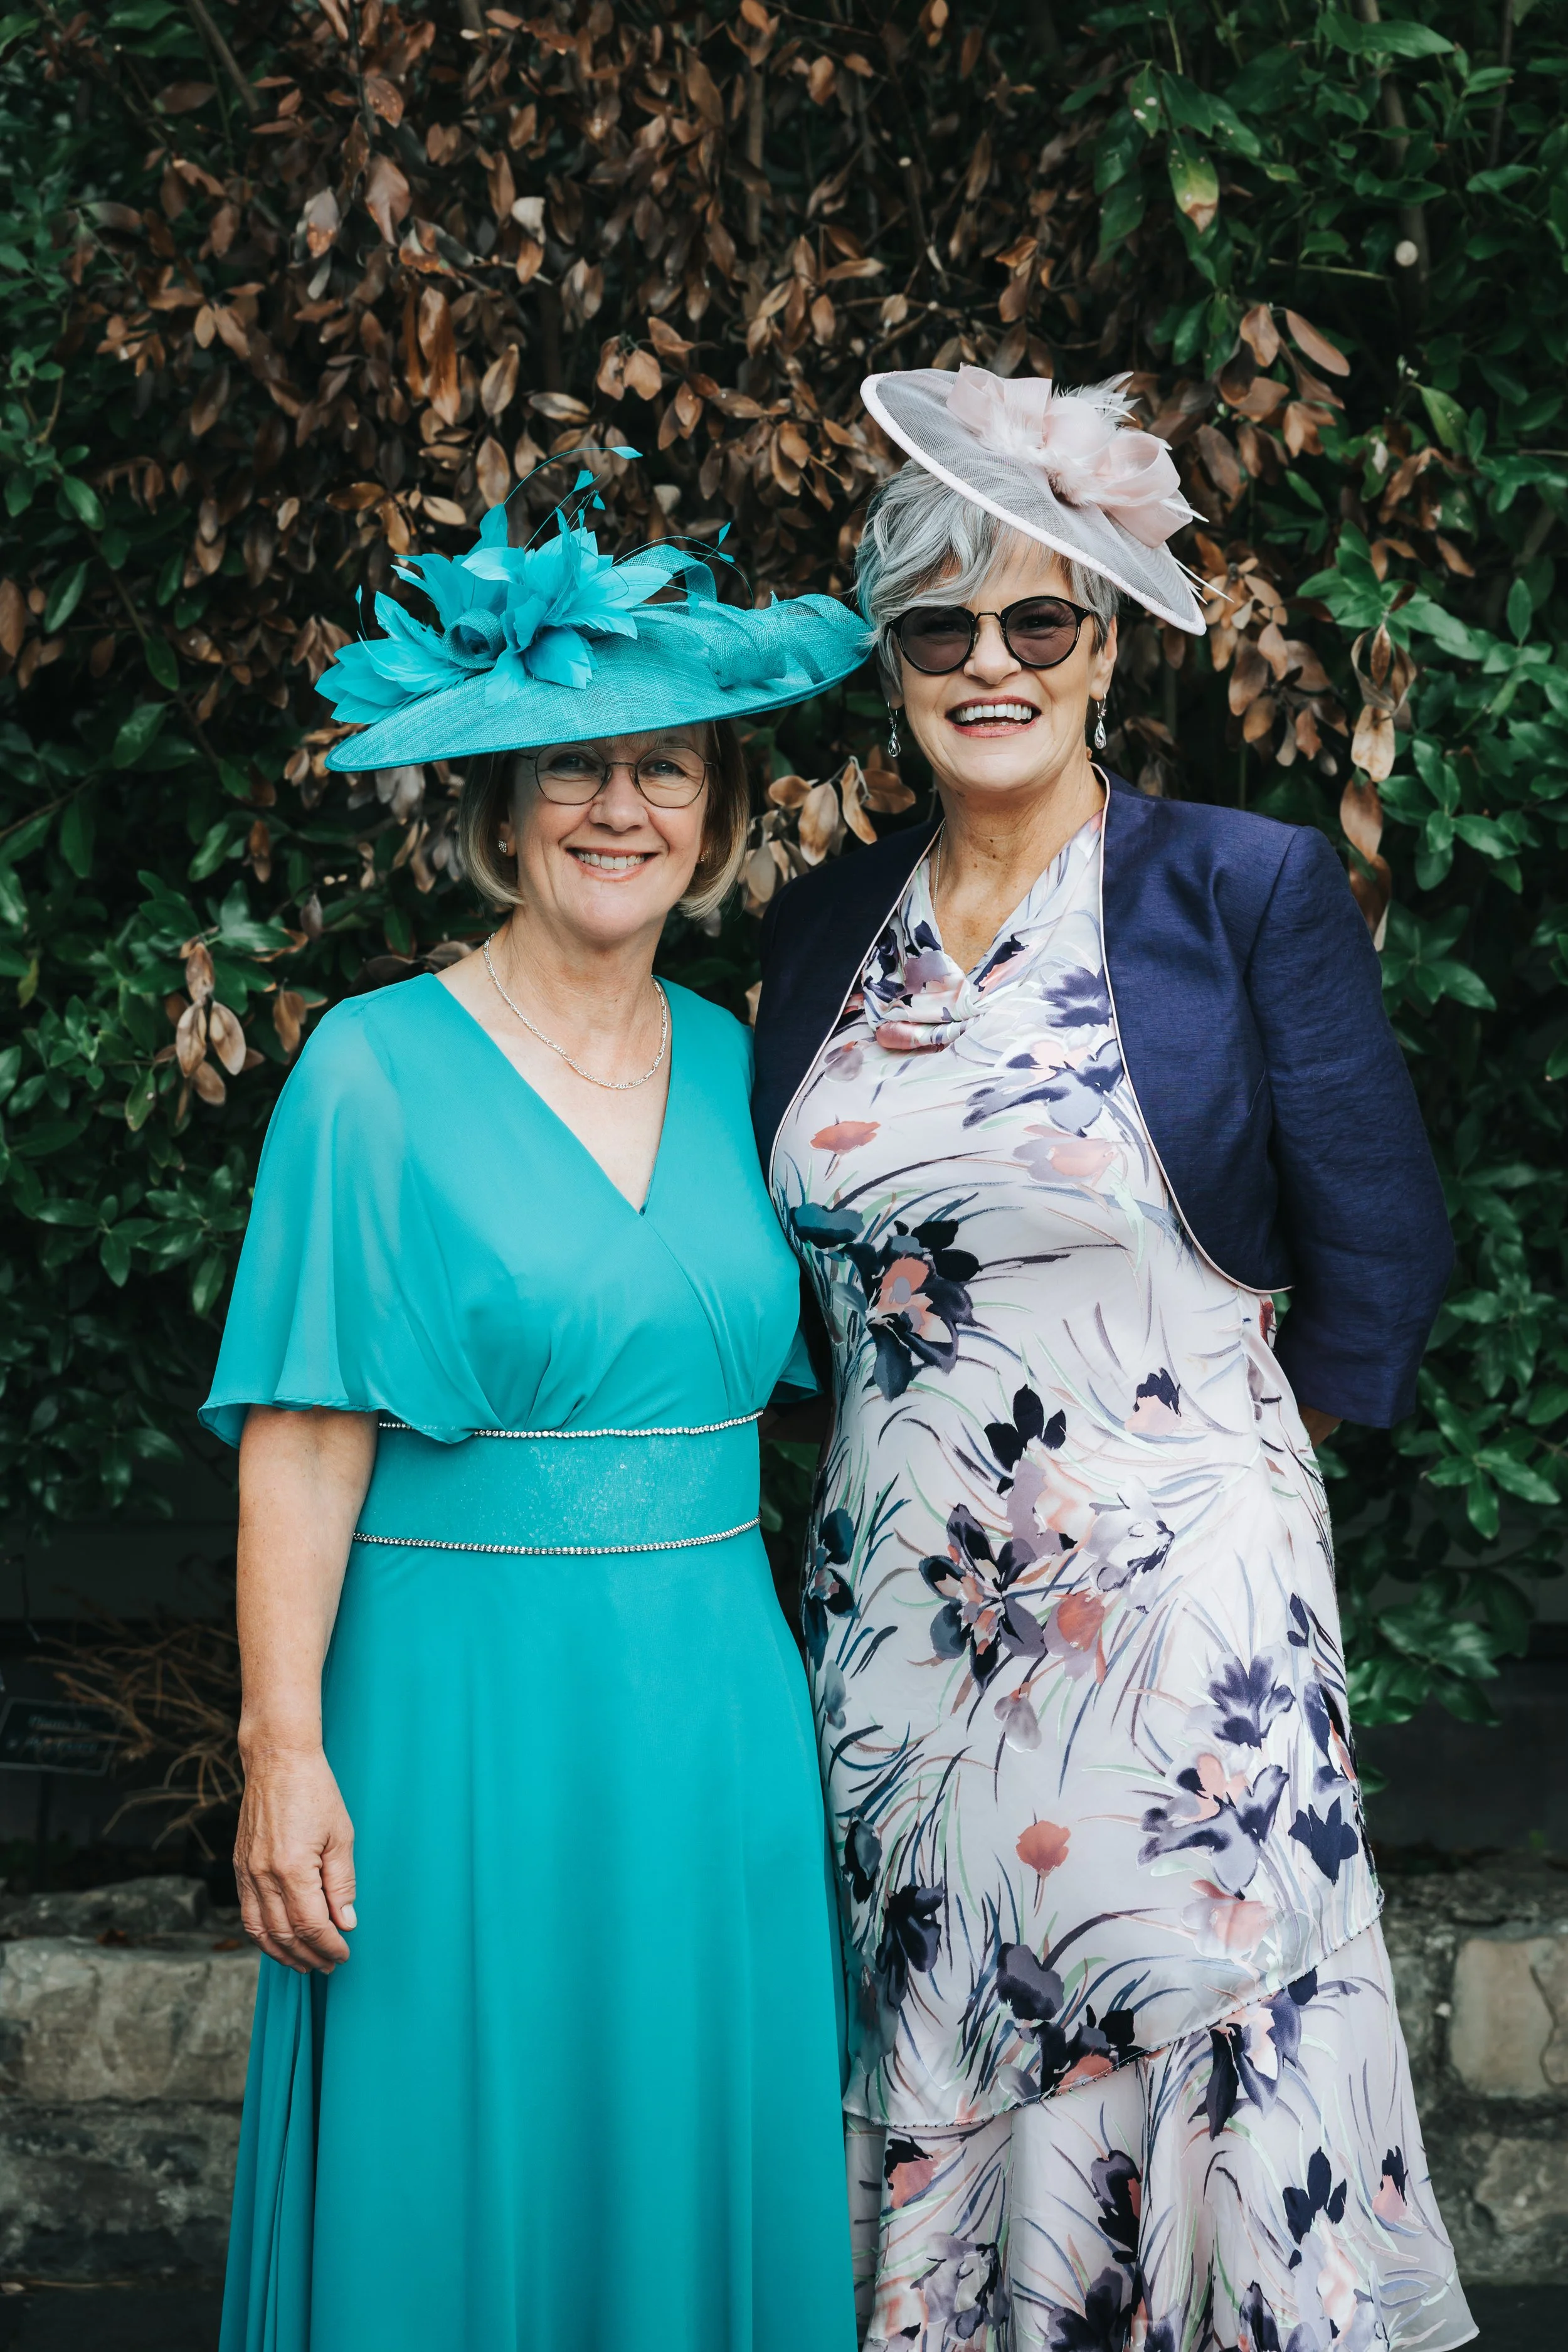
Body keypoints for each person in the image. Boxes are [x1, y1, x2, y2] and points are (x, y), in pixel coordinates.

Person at [751, 368, 1475, 2351]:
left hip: (1182, 1639)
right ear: (890, 665)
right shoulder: (820, 929)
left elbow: (1379, 1249)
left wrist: (1188, 1493)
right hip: (906, 1635)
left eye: (1035, 618)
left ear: (1103, 640)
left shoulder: (1235, 888)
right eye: (937, 628)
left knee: (1197, 2037)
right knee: (945, 2031)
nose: (987, 662)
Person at [206, 488, 869, 2352]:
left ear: (719, 819)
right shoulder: (369, 1071)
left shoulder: (756, 1073)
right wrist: (281, 1746)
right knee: (450, 2163)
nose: (620, 807)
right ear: (499, 811)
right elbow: (305, 1431)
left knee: (687, 2144)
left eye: (665, 768)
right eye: (570, 767)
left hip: (715, 1722)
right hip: (452, 1721)